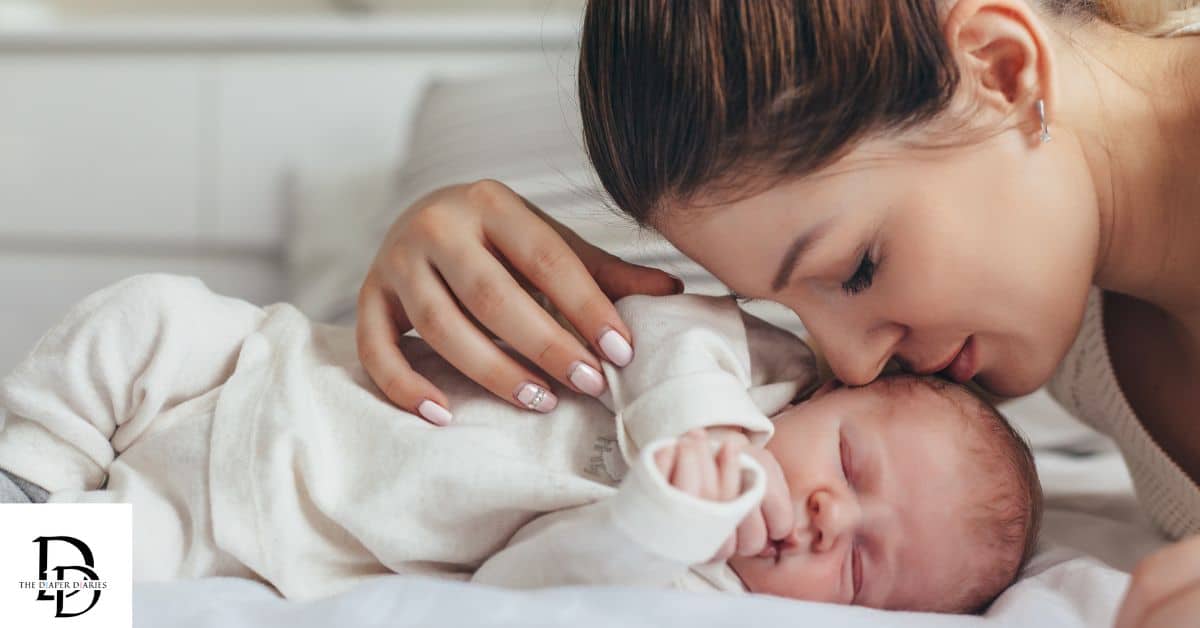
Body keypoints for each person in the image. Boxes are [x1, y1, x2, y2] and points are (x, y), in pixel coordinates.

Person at [352, 2, 1200, 627]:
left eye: (858, 269)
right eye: (785, 305)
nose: (855, 367)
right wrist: (455, 244)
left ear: (1001, 68)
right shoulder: (1078, 292)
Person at [0, 274, 1040, 613]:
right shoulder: (749, 369)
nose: (826, 517)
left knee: (65, 595)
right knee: (145, 312)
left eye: (860, 566)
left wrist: (664, 520)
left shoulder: (693, 591)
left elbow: (527, 584)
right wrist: (699, 423)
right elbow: (650, 317)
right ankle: (31, 470)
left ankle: (31, 535)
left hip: (259, 534)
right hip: (264, 368)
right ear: (829, 392)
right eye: (852, 468)